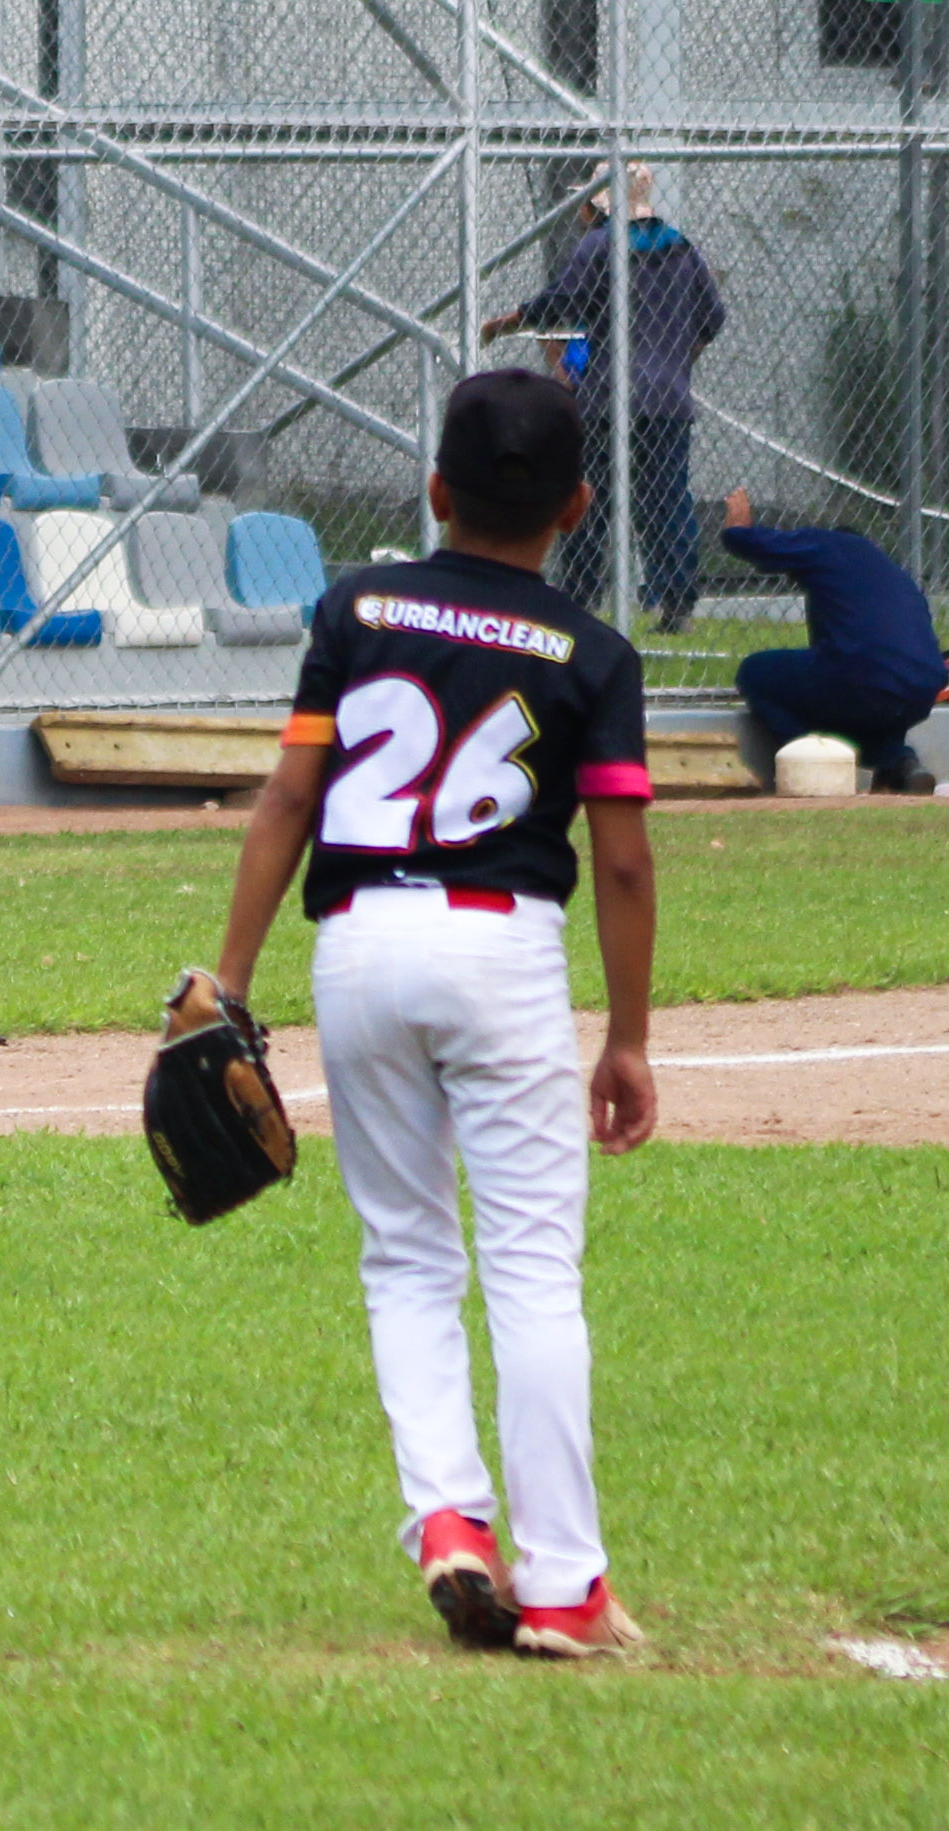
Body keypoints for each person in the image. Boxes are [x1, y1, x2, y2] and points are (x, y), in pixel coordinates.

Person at [208, 371, 659, 1660]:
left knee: (405, 1256)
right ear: (576, 505)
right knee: (527, 1268)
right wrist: (624, 1037)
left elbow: (287, 801)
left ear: (432, 490)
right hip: (497, 949)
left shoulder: (354, 606)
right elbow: (621, 865)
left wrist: (230, 981)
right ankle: (563, 1583)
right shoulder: (592, 653)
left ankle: (451, 1526)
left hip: (352, 949)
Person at [483, 162, 726, 634]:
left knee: (590, 498)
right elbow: (711, 319)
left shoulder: (598, 246)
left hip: (607, 399)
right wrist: (675, 364)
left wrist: (503, 323)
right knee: (667, 500)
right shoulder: (682, 249)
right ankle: (675, 603)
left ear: (597, 204)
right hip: (668, 402)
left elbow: (558, 302)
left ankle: (580, 595)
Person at [720, 487, 946, 795]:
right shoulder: (896, 575)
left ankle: (814, 764)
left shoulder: (832, 545)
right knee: (869, 711)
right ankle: (901, 764)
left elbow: (756, 544)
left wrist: (737, 528)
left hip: (863, 672)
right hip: (921, 688)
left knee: (754, 673)